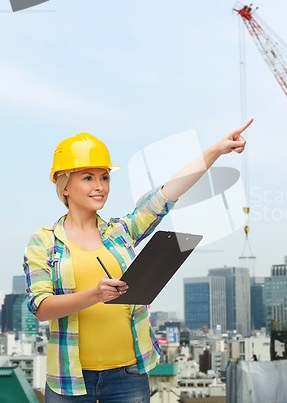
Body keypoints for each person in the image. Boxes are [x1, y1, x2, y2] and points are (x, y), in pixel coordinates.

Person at [23, 119, 252, 402]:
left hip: (128, 377)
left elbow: (167, 194)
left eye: (104, 177)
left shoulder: (122, 232)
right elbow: (42, 308)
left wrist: (215, 151)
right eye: (88, 177)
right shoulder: (44, 241)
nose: (100, 186)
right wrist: (95, 294)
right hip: (71, 381)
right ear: (65, 186)